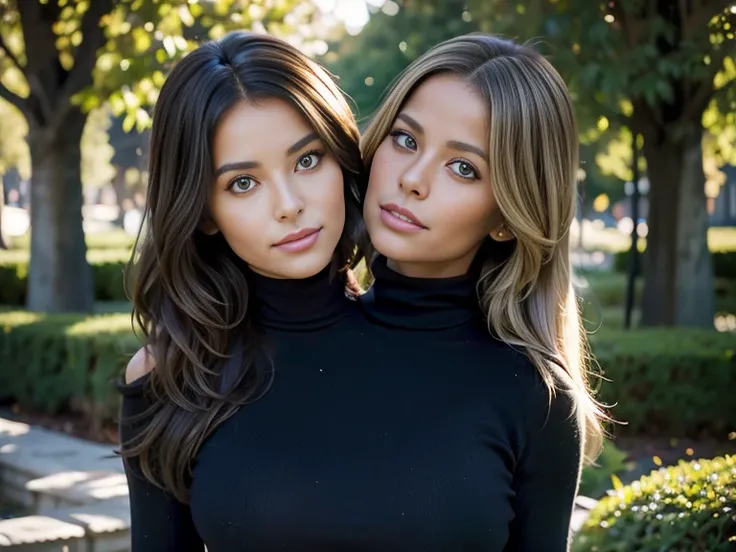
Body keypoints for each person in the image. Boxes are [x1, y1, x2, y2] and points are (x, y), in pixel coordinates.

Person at [118, 31, 368, 550]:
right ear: (204, 212)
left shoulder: (425, 342)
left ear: (340, 158)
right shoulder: (169, 377)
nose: (289, 204)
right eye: (242, 183)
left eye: (307, 160)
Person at [356, 34, 606, 551]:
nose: (413, 179)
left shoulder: (535, 400)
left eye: (463, 167)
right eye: (405, 139)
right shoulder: (284, 340)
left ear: (506, 219)